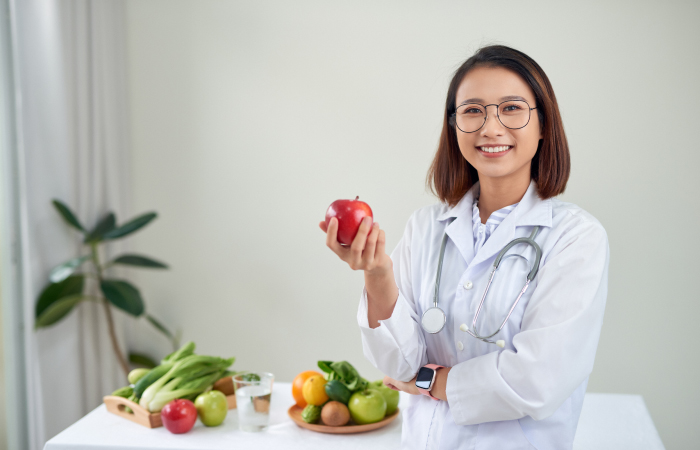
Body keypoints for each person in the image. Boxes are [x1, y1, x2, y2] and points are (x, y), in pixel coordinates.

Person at [319, 45, 609, 450]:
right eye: (473, 111)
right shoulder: (425, 227)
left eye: (511, 108)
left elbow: (537, 380)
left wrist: (432, 381)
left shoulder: (575, 237)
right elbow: (396, 363)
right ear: (454, 127)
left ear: (543, 125)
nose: (490, 128)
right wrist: (377, 273)